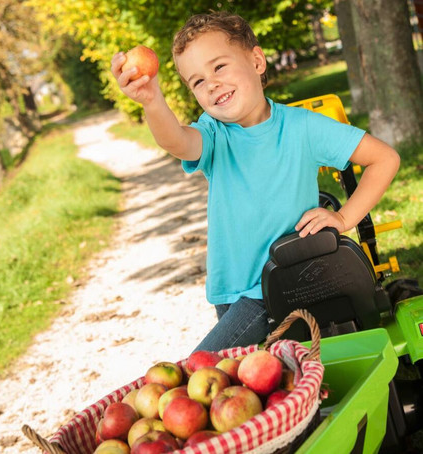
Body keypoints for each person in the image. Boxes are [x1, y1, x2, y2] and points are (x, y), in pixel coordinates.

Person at [111, 11, 400, 352]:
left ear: (257, 60)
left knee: (200, 370)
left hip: (277, 288)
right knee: (255, 385)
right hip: (229, 292)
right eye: (198, 81)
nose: (212, 83)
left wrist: (342, 218)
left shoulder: (302, 127)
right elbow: (177, 140)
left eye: (219, 67)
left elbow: (385, 158)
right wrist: (152, 100)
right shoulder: (214, 132)